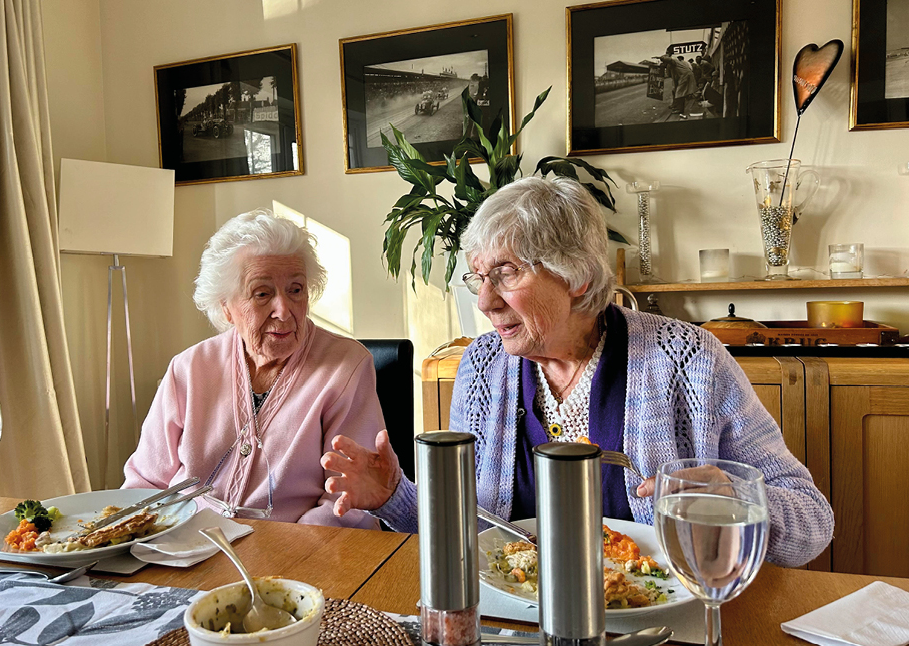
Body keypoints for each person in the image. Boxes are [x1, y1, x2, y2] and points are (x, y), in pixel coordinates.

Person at [322, 177, 834, 568]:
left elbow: (813, 523)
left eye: (506, 273)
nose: (483, 301)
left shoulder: (689, 360)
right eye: (478, 277)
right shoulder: (482, 367)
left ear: (576, 276)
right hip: (515, 622)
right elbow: (468, 531)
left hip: (657, 625)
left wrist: (737, 502)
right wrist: (395, 497)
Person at [124, 210, 383, 528]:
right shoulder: (188, 369)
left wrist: (288, 553)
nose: (284, 310)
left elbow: (347, 499)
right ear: (226, 307)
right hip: (187, 549)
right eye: (262, 294)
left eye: (296, 290)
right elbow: (146, 484)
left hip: (298, 553)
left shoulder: (345, 366)